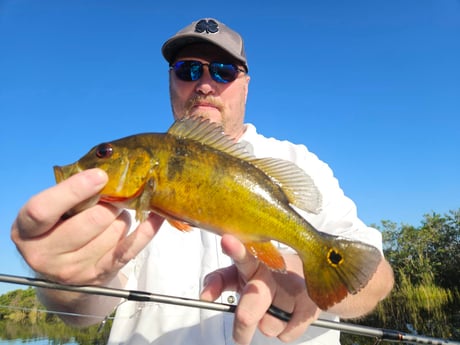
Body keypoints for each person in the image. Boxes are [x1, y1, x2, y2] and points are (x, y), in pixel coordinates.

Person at [11, 18, 394, 345]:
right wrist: (61, 280)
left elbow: (375, 278)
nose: (205, 84)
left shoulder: (299, 161)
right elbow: (84, 313)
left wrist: (302, 274)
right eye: (188, 70)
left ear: (246, 84)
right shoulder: (113, 202)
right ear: (171, 81)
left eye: (223, 71)